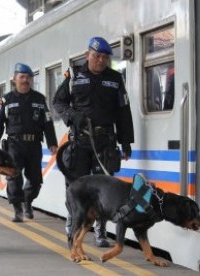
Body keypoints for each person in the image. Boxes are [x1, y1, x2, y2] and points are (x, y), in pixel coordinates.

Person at [53, 37, 134, 247]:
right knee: (76, 186)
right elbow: (58, 102)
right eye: (96, 56)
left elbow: (123, 112)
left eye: (105, 58)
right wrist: (72, 114)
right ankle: (72, 225)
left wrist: (126, 142)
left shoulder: (115, 79)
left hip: (105, 141)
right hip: (80, 141)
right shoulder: (73, 76)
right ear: (88, 54)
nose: (100, 61)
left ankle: (100, 231)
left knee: (103, 188)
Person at [0, 63, 58, 222]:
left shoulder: (39, 99)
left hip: (34, 146)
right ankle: (17, 208)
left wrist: (52, 142)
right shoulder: (6, 100)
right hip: (14, 145)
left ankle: (28, 201)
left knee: (35, 180)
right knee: (13, 177)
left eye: (28, 77)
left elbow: (47, 122)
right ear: (15, 79)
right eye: (22, 77)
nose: (25, 80)